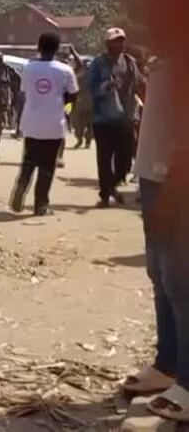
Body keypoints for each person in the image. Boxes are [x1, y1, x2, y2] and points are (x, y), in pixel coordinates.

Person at [121, 60, 184, 418]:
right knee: (159, 273)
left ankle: (188, 382)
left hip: (177, 175)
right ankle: (168, 364)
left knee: (180, 280)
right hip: (153, 172)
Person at [9, 33, 78, 216]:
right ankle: (40, 205)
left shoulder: (29, 69)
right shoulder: (65, 70)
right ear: (57, 49)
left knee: (28, 162)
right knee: (47, 168)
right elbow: (72, 96)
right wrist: (67, 111)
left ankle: (20, 191)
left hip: (31, 124)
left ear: (39, 47)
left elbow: (24, 93)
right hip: (54, 125)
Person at [88, 27, 142, 207]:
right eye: (114, 41)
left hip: (124, 118)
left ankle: (113, 184)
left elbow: (138, 84)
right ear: (107, 44)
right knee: (104, 158)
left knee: (125, 158)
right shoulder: (97, 63)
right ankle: (105, 194)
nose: (118, 44)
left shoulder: (130, 62)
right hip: (102, 119)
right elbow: (90, 88)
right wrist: (105, 86)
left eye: (121, 41)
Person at [68, 47, 93, 149]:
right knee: (78, 124)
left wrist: (73, 51)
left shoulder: (92, 75)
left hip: (90, 104)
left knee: (90, 125)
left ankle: (87, 141)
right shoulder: (75, 74)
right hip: (79, 104)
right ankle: (80, 139)